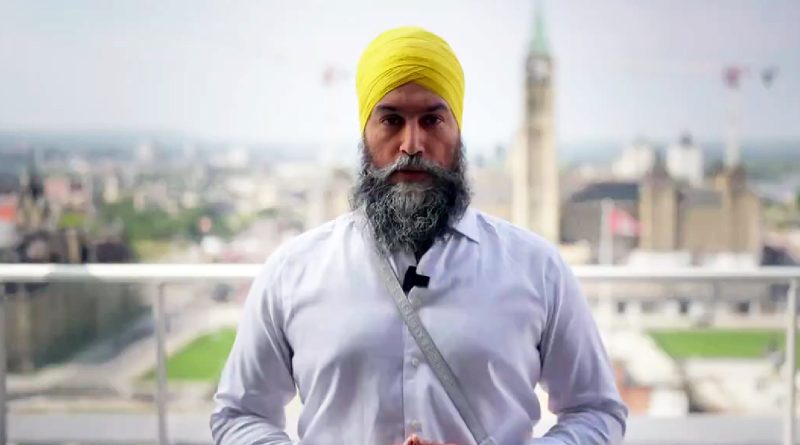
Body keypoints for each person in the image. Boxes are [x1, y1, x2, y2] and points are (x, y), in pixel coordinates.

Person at [211, 26, 627, 445]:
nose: (411, 144)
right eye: (391, 119)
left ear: (458, 131)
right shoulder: (293, 272)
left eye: (432, 119)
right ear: (365, 132)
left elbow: (595, 411)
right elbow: (239, 415)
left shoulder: (536, 269)